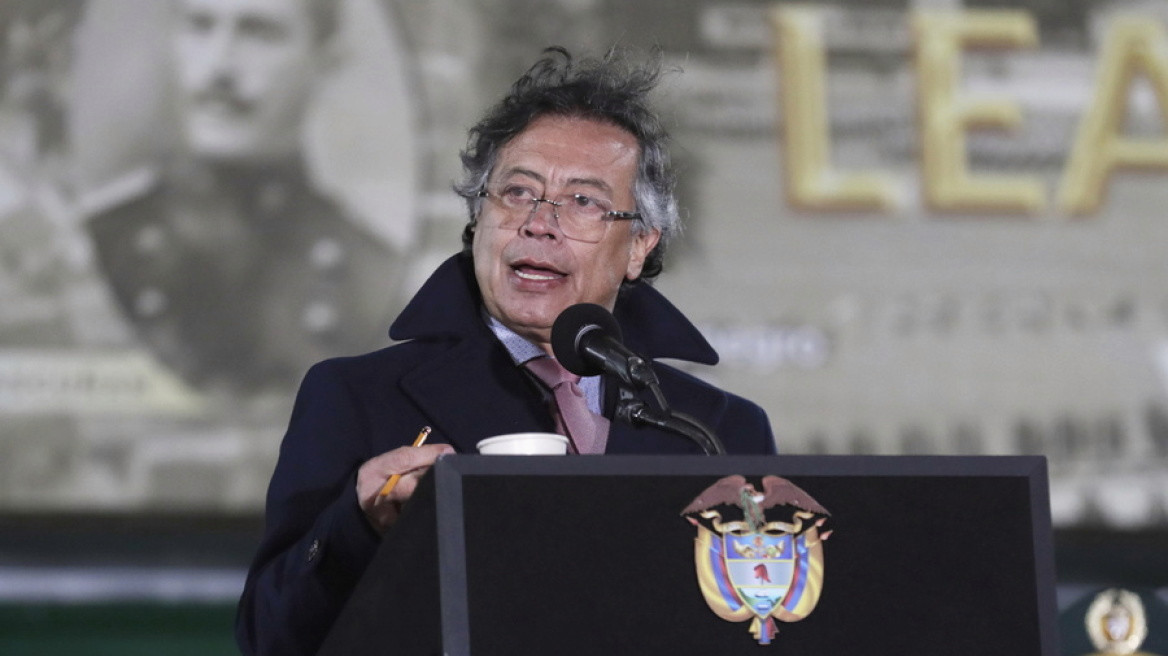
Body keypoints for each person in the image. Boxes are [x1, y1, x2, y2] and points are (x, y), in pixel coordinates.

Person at [235, 47, 777, 656]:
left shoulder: (717, 432)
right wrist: (356, 525)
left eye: (583, 202)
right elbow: (269, 637)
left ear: (638, 246)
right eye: (517, 193)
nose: (538, 223)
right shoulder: (357, 398)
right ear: (478, 220)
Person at [80, 0, 401, 394]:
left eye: (259, 34)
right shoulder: (96, 251)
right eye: (200, 26)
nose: (219, 67)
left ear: (325, 62)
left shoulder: (372, 278)